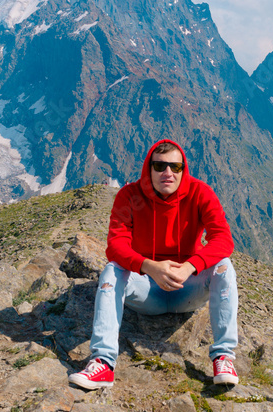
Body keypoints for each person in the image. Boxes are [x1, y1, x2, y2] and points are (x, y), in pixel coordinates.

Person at [68, 139, 239, 389]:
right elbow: (116, 246)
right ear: (149, 169)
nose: (168, 173)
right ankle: (103, 363)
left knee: (224, 265)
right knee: (111, 270)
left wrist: (190, 267)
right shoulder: (129, 196)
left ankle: (223, 356)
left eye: (175, 167)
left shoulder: (201, 193)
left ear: (184, 169)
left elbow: (223, 239)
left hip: (187, 288)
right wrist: (149, 267)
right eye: (159, 166)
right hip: (146, 291)